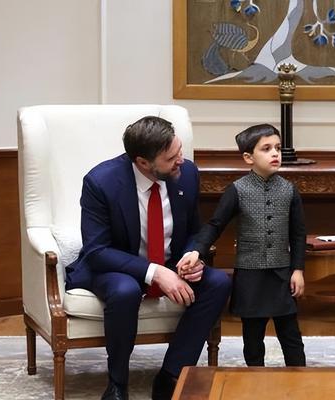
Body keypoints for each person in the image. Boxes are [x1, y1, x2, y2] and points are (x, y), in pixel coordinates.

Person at [65, 116, 231, 400]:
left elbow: (194, 230)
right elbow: (97, 251)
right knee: (125, 291)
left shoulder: (187, 174)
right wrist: (155, 272)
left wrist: (192, 255)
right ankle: (117, 384)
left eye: (180, 151)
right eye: (171, 158)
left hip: (169, 262)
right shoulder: (101, 182)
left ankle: (171, 375)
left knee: (218, 283)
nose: (181, 160)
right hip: (116, 266)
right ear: (143, 162)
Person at [178, 123, 307, 367]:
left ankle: (300, 379)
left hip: (281, 273)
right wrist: (197, 250)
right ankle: (254, 379)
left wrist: (298, 270)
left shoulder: (289, 190)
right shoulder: (237, 190)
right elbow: (215, 224)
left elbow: (298, 234)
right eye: (266, 149)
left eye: (278, 148)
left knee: (291, 334)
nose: (275, 153)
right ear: (248, 157)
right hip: (250, 275)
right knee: (253, 337)